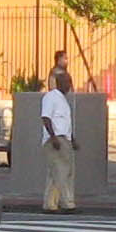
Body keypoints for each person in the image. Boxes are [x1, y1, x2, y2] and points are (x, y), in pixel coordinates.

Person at [40, 70, 77, 212]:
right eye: (67, 82)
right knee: (62, 172)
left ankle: (50, 204)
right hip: (55, 139)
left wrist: (72, 139)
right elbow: (46, 118)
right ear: (60, 83)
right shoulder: (51, 97)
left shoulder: (63, 99)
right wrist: (53, 137)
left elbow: (64, 122)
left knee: (57, 172)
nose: (69, 85)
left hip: (64, 138)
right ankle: (67, 203)